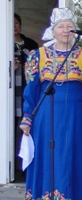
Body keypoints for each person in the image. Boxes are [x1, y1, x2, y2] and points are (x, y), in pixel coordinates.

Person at [20, 7, 82, 200]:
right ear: (52, 31)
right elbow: (32, 90)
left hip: (77, 115)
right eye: (61, 26)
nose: (66, 30)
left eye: (69, 27)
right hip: (47, 115)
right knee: (49, 160)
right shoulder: (38, 56)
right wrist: (28, 117)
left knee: (75, 159)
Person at [13, 13, 39, 182]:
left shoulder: (31, 44)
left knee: (26, 128)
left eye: (17, 23)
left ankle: (25, 167)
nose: (14, 26)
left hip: (28, 89)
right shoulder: (3, 42)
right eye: (11, 23)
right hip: (11, 92)